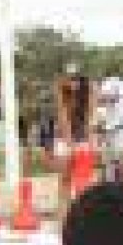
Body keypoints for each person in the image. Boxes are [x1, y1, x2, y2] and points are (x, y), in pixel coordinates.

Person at [53, 68, 96, 212]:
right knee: (65, 178)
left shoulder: (88, 90)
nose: (73, 82)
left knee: (83, 179)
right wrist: (70, 144)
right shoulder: (61, 91)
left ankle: (82, 212)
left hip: (82, 137)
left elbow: (90, 118)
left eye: (76, 79)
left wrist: (90, 142)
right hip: (63, 138)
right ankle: (63, 214)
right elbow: (62, 118)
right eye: (70, 79)